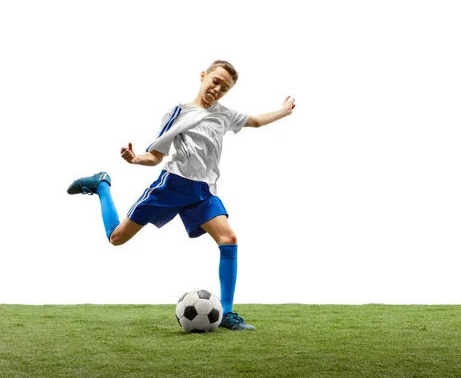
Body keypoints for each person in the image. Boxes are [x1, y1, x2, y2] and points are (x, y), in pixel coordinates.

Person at [67, 60, 296, 330]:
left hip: (203, 192)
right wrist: (135, 159)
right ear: (203, 76)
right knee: (116, 238)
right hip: (172, 186)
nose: (217, 89)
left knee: (229, 238)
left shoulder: (225, 115)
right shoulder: (178, 113)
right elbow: (155, 156)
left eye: (224, 88)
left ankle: (228, 314)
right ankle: (102, 186)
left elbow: (256, 121)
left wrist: (284, 111)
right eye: (215, 81)